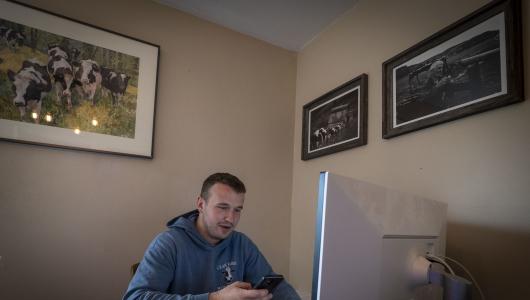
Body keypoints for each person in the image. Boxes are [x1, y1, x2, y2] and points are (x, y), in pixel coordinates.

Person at [123, 173, 301, 300]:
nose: (230, 218)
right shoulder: (168, 244)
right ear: (201, 204)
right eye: (222, 207)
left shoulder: (241, 244)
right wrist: (214, 298)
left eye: (237, 210)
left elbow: (278, 287)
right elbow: (135, 297)